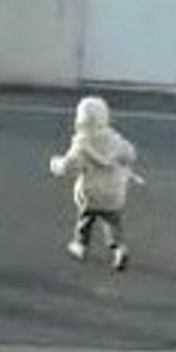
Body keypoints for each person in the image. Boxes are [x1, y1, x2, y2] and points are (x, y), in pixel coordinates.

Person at [49, 96, 142, 272]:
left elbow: (69, 165)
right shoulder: (115, 140)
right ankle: (119, 249)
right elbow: (131, 154)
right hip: (113, 194)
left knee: (85, 219)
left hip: (91, 194)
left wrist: (56, 164)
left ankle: (80, 246)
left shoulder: (81, 144)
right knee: (113, 222)